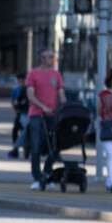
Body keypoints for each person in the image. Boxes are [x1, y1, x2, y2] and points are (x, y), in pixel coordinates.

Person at [26, 48, 67, 190]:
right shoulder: (33, 74)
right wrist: (42, 106)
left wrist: (64, 109)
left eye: (53, 57)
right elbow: (31, 95)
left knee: (55, 145)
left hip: (53, 115)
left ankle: (47, 172)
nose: (52, 59)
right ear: (42, 59)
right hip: (37, 114)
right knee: (36, 146)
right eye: (50, 57)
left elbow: (61, 94)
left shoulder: (56, 74)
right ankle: (37, 178)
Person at [8, 72, 30, 159]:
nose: (21, 83)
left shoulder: (29, 89)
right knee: (15, 131)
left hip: (28, 114)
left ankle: (24, 148)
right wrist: (16, 113)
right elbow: (13, 101)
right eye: (20, 82)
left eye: (23, 81)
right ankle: (15, 150)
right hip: (20, 113)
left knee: (26, 132)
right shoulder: (16, 90)